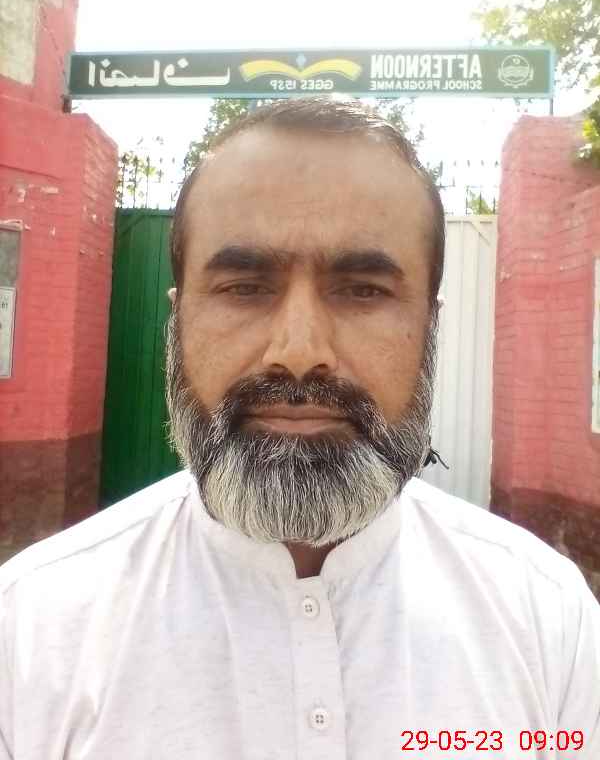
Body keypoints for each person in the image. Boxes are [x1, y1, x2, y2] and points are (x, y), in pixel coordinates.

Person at [0, 97, 598, 760]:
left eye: (363, 289)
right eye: (245, 287)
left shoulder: (546, 617)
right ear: (178, 322)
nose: (299, 350)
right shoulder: (32, 626)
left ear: (430, 326)